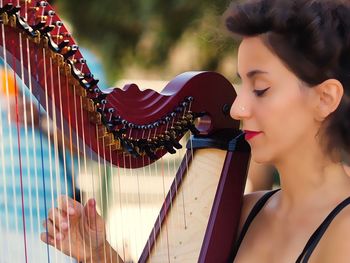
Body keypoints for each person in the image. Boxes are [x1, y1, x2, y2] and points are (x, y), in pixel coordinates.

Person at [41, 0, 350, 262]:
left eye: (261, 88)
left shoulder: (344, 231)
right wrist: (98, 253)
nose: (237, 108)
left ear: (325, 98)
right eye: (242, 84)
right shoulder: (243, 212)